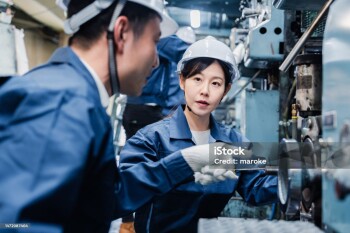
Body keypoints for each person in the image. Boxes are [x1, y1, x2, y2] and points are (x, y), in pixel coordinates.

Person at [0, 1, 226, 233]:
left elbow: (101, 197)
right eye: (155, 41)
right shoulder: (62, 102)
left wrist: (187, 161)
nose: (157, 61)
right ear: (122, 32)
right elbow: (18, 225)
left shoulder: (78, 99)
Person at [119, 36, 278, 232]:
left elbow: (256, 187)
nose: (205, 91)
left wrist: (301, 180)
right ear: (182, 81)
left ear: (226, 90)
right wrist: (185, 162)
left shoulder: (234, 142)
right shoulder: (151, 139)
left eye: (216, 83)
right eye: (197, 79)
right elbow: (123, 193)